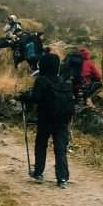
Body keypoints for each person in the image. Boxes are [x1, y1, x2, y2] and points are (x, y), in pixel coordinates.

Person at [20, 52, 74, 188]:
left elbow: (36, 98)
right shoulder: (63, 81)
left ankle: (38, 172)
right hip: (62, 120)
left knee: (41, 144)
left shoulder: (41, 80)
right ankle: (62, 178)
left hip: (46, 118)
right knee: (60, 148)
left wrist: (23, 97)